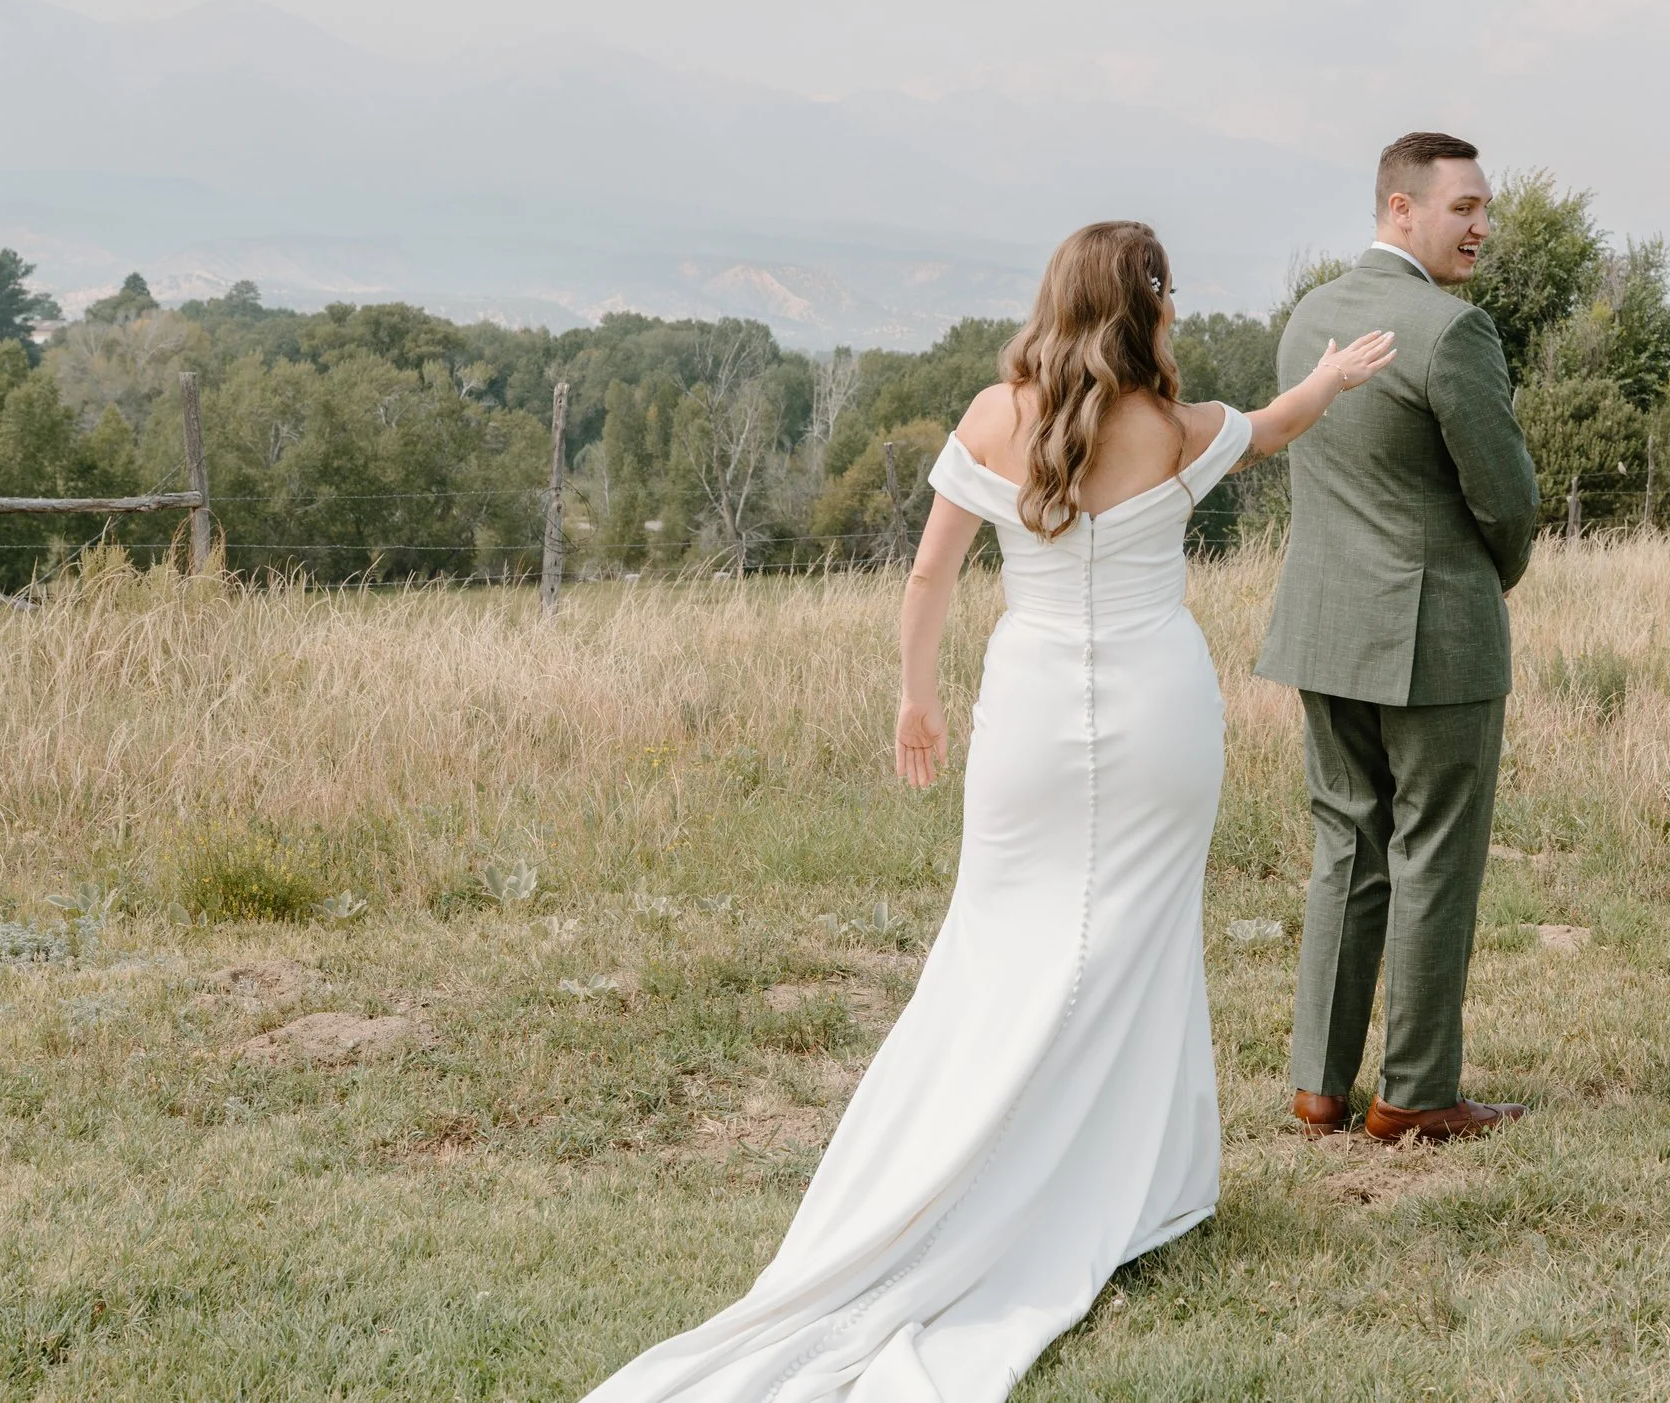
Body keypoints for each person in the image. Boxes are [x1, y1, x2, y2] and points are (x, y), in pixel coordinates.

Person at [583, 220, 1394, 1403]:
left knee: (1000, 941)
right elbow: (1277, 425)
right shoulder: (1177, 427)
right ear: (1148, 305)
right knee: (1134, 942)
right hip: (1160, 715)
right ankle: (1129, 1177)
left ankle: (984, 1155)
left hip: (1024, 719)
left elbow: (926, 575)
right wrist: (1327, 374)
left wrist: (917, 698)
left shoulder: (989, 414)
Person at [1258, 131, 1540, 1144]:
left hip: (1323, 627)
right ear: (1399, 209)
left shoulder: (1308, 319)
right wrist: (1488, 576)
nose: (1480, 226)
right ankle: (1415, 1090)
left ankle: (1318, 1086)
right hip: (1433, 633)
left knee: (1345, 847)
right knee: (1433, 853)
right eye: (1461, 206)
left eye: (1483, 207)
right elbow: (1507, 496)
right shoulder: (1449, 332)